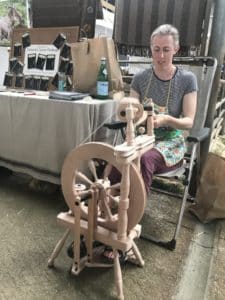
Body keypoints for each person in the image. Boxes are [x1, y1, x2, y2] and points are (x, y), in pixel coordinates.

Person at [130, 24, 198, 193]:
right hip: (143, 136)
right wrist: (134, 115)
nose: (160, 56)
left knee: (144, 159)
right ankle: (106, 201)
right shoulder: (140, 78)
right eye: (156, 49)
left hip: (169, 142)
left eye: (166, 50)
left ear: (176, 49)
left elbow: (189, 122)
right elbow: (131, 109)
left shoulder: (187, 79)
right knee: (120, 157)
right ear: (150, 49)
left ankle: (134, 209)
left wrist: (166, 119)